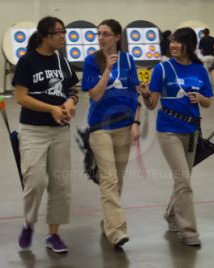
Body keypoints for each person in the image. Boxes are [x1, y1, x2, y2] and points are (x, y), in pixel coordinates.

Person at [137, 27, 213, 247]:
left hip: (192, 131)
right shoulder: (162, 68)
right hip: (168, 130)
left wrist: (199, 97)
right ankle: (188, 229)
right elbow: (152, 104)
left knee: (183, 180)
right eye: (171, 42)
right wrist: (144, 95)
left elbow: (208, 101)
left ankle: (171, 214)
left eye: (178, 42)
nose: (173, 46)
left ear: (189, 45)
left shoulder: (200, 70)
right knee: (183, 180)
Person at [12, 16, 79, 253]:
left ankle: (53, 235)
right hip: (33, 131)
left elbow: (72, 90)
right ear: (44, 36)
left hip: (60, 131)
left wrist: (69, 103)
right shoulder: (27, 61)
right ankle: (28, 223)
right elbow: (20, 97)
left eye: (64, 32)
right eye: (58, 32)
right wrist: (51, 108)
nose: (63, 36)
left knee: (61, 184)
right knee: (36, 181)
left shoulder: (63, 62)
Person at [81, 19, 141, 248]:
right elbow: (95, 95)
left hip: (125, 126)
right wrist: (106, 69)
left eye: (106, 34)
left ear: (117, 37)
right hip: (100, 127)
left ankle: (108, 220)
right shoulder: (91, 62)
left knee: (118, 180)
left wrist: (136, 121)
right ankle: (117, 230)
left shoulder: (128, 60)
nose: (101, 38)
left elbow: (135, 92)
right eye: (99, 34)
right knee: (109, 178)